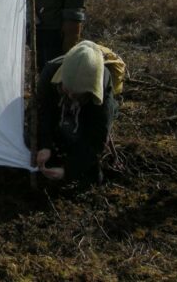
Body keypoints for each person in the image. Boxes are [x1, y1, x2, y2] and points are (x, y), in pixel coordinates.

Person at [35, 40, 119, 185]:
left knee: (90, 174)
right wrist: (45, 145)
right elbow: (43, 112)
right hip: (58, 113)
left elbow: (97, 136)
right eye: (67, 90)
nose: (71, 97)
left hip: (86, 116)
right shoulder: (50, 72)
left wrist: (68, 170)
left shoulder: (103, 82)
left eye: (78, 94)